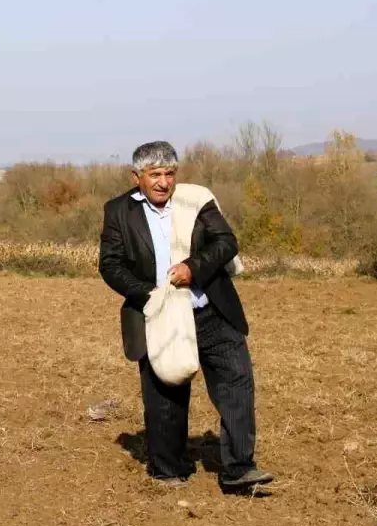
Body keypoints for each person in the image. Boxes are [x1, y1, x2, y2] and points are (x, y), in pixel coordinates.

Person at [98, 141, 273, 491]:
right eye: (155, 175)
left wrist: (193, 268)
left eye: (170, 174)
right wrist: (149, 294)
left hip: (211, 310)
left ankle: (239, 469)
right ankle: (169, 470)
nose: (164, 182)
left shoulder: (196, 199)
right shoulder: (118, 211)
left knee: (237, 383)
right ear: (137, 177)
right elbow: (110, 265)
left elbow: (226, 242)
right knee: (165, 395)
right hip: (158, 316)